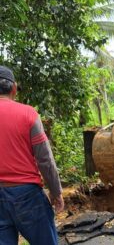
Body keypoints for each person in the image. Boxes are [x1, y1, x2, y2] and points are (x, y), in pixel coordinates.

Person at [0, 66, 64, 245]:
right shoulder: (28, 114)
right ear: (14, 88)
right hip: (27, 195)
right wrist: (56, 192)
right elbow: (45, 160)